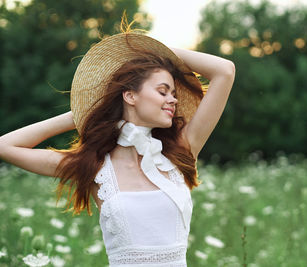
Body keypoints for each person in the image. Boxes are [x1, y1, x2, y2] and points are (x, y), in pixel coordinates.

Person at [0, 21, 235, 266]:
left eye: (174, 94)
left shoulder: (182, 150)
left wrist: (160, 52)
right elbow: (6, 147)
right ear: (130, 95)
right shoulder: (94, 167)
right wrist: (78, 116)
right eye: (163, 91)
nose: (172, 100)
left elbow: (225, 71)